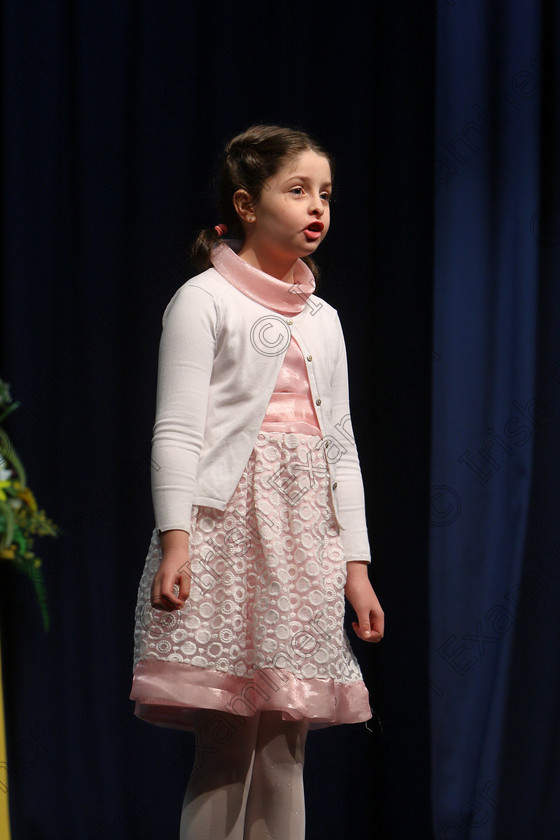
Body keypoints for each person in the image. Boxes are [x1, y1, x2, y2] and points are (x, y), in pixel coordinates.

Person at [129, 124, 384, 840]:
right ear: (246, 204)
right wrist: (177, 541)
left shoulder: (324, 321)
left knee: (285, 742)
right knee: (227, 741)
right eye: (296, 189)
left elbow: (341, 448)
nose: (317, 207)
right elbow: (177, 431)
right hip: (226, 539)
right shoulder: (204, 300)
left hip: (304, 547)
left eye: (325, 193)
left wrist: (355, 567)